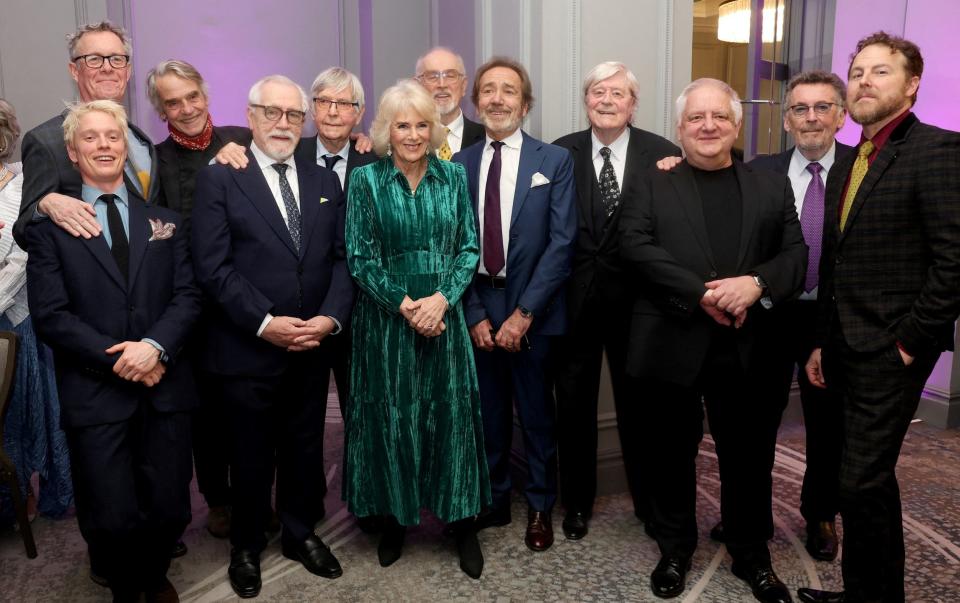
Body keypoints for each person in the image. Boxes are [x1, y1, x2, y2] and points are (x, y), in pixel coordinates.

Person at [619, 78, 805, 602]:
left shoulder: (770, 186)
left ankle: (752, 554)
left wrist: (756, 283)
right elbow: (633, 246)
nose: (708, 126)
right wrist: (699, 293)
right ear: (679, 129)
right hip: (672, 340)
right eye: (696, 118)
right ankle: (675, 548)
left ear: (736, 125)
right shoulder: (651, 182)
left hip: (749, 348)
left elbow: (796, 254)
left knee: (749, 458)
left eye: (719, 117)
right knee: (670, 455)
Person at [799, 32, 960, 603]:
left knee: (858, 480)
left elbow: (954, 263)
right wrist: (822, 342)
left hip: (891, 351)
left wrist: (909, 346)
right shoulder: (854, 158)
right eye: (858, 71)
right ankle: (868, 593)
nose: (864, 81)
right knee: (869, 481)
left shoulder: (939, 151)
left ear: (912, 84)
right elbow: (837, 265)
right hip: (844, 344)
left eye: (880, 72)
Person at [26, 99, 201, 603]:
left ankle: (153, 571)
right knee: (110, 509)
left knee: (170, 504)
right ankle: (128, 585)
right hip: (95, 392)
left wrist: (155, 348)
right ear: (72, 153)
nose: (104, 145)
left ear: (126, 148)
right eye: (91, 138)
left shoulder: (166, 220)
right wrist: (122, 359)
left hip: (165, 386)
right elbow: (52, 316)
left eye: (113, 136)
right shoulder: (50, 230)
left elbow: (189, 295)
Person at [191, 75, 354, 599]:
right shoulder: (220, 178)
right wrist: (265, 322)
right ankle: (245, 543)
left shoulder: (325, 181)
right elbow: (212, 267)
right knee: (251, 451)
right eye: (272, 113)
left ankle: (300, 533)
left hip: (311, 344)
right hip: (248, 345)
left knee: (305, 447)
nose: (283, 124)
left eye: (293, 115)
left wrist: (330, 319)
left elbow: (341, 260)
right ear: (251, 115)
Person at [342, 79, 489, 579]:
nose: (411, 134)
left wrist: (441, 301)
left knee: (451, 420)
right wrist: (409, 307)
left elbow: (469, 248)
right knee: (392, 418)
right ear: (386, 129)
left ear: (434, 128)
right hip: (386, 322)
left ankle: (462, 523)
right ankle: (395, 521)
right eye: (402, 124)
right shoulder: (365, 181)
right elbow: (360, 258)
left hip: (443, 320)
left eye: (421, 124)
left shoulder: (453, 178)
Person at [707, 70, 852, 561]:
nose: (811, 117)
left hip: (832, 320)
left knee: (827, 425)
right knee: (753, 425)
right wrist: (669, 163)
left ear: (840, 115)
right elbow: (705, 177)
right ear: (786, 119)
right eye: (799, 109)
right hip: (768, 314)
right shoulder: (758, 170)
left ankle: (820, 515)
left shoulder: (865, 168)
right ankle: (749, 517)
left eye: (822, 107)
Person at [551, 61, 679, 540]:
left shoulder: (664, 155)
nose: (606, 100)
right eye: (597, 92)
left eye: (617, 93)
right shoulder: (560, 153)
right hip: (573, 303)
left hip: (639, 307)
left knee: (640, 410)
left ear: (633, 103)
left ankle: (648, 503)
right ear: (586, 100)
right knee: (574, 408)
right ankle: (577, 504)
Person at [454, 57, 577, 553]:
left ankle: (542, 505)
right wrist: (476, 314)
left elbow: (563, 243)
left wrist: (523, 314)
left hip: (536, 311)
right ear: (476, 102)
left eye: (509, 91)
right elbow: (453, 245)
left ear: (525, 104)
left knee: (536, 415)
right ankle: (496, 499)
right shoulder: (457, 166)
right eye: (488, 90)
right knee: (487, 415)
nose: (498, 98)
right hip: (480, 301)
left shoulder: (553, 162)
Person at [13, 21, 160, 250]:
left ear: (128, 71)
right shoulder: (46, 141)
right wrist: (44, 205)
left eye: (116, 59)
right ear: (74, 70)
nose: (107, 68)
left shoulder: (143, 142)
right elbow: (24, 229)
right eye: (94, 59)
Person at [0, 99, 73, 528]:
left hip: (19, 315)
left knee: (30, 412)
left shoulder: (23, 181)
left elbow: (26, 252)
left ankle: (30, 493)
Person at [415, 47, 485, 159]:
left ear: (463, 86)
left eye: (450, 76)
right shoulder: (403, 142)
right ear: (417, 86)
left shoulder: (488, 138)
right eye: (432, 77)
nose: (442, 84)